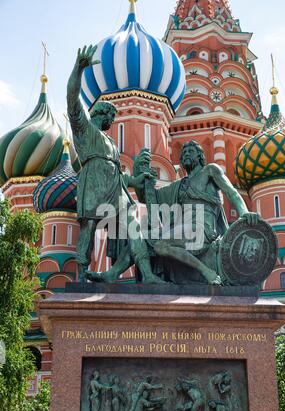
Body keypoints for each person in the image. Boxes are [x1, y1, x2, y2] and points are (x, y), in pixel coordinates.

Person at [67, 45, 163, 284]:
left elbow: (120, 176)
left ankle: (146, 274)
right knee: (89, 227)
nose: (113, 120)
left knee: (133, 226)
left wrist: (136, 181)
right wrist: (78, 70)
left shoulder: (111, 143)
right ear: (100, 113)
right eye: (110, 116)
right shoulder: (84, 129)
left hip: (115, 190)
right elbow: (72, 99)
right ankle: (81, 277)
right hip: (92, 183)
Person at [132, 141, 261, 284]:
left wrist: (244, 213)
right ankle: (119, 275)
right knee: (140, 237)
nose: (186, 153)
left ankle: (207, 272)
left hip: (203, 229)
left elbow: (232, 193)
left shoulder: (210, 171)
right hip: (183, 230)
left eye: (191, 151)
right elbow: (149, 198)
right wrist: (138, 170)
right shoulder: (179, 185)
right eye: (184, 152)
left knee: (161, 245)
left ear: (200, 156)